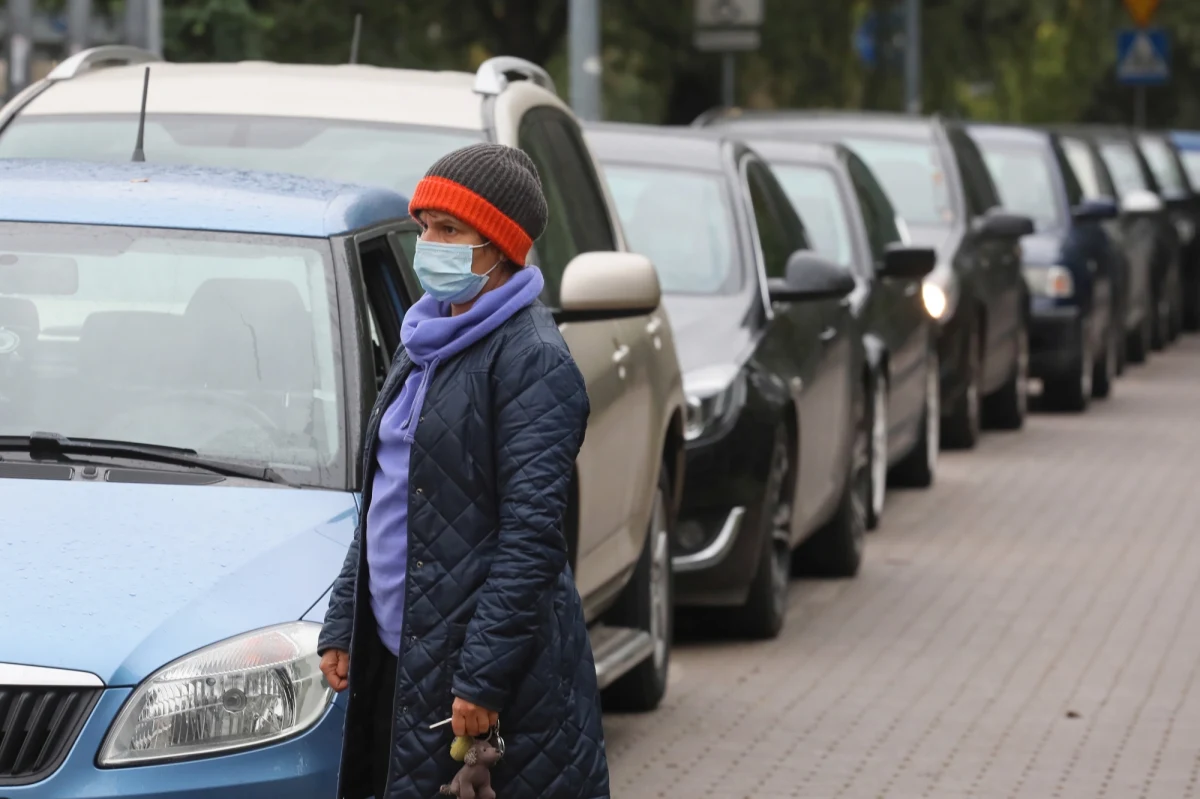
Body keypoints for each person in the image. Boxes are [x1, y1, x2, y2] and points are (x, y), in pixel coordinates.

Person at [317, 143, 610, 799]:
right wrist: (346, 619)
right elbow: (387, 496)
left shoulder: (532, 358)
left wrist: (482, 677)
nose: (431, 246)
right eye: (425, 228)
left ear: (499, 246)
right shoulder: (424, 338)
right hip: (406, 652)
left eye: (450, 231)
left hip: (483, 672)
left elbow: (531, 538)